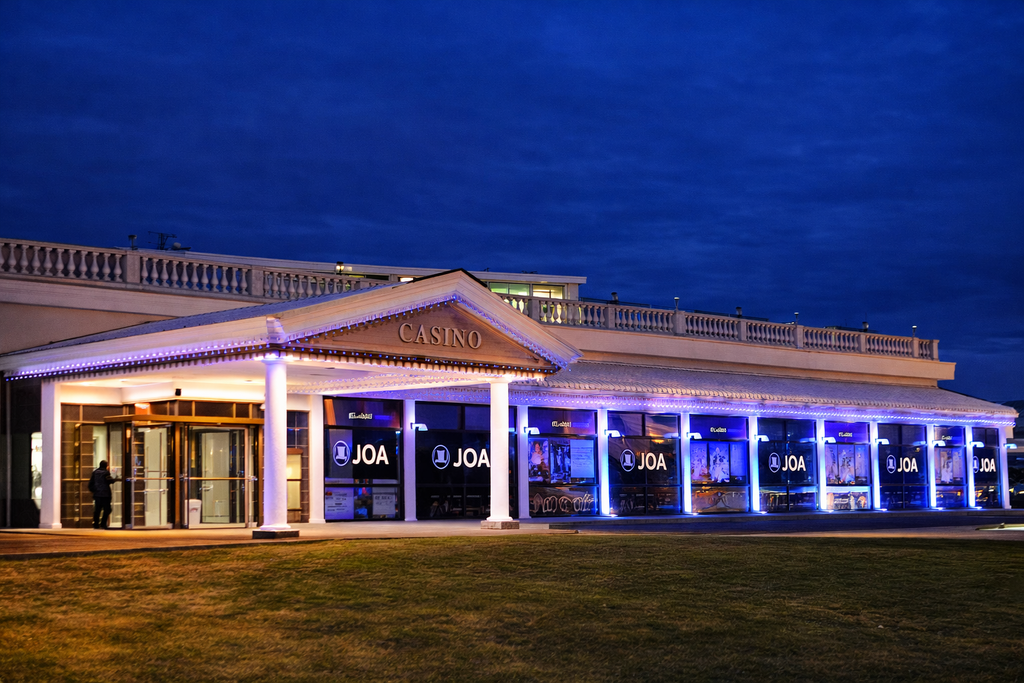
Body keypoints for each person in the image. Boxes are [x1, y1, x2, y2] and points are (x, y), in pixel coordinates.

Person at [88, 460, 119, 529]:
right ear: (106, 466)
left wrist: (94, 490)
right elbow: (110, 481)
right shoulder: (105, 473)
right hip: (105, 494)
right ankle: (103, 523)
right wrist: (116, 478)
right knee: (107, 509)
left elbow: (91, 483)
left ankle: (96, 524)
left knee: (97, 510)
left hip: (97, 494)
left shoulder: (95, 472)